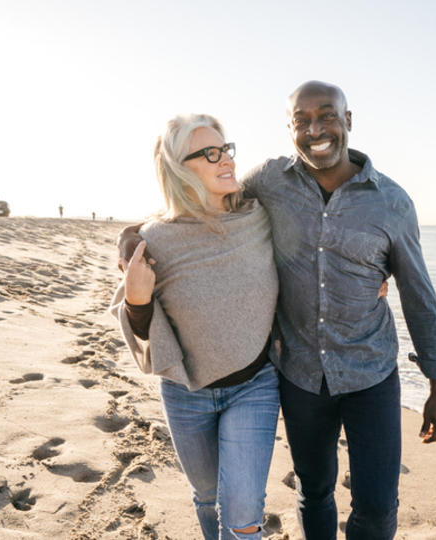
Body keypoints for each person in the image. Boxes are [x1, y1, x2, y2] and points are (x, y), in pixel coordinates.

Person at [119, 81, 436, 539]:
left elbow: (419, 294)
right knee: (314, 491)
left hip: (370, 372)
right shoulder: (269, 182)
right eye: (302, 121)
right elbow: (198, 206)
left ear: (348, 121)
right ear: (290, 129)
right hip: (298, 375)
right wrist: (132, 233)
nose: (316, 130)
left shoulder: (392, 202)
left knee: (377, 508)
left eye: (327, 116)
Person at [110, 114, 279, 540]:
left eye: (226, 149)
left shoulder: (258, 218)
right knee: (206, 496)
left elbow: (314, 237)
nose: (226, 160)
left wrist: (371, 277)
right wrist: (136, 300)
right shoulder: (156, 240)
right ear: (179, 169)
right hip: (186, 393)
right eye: (210, 153)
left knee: (242, 514)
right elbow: (145, 333)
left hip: (255, 385)